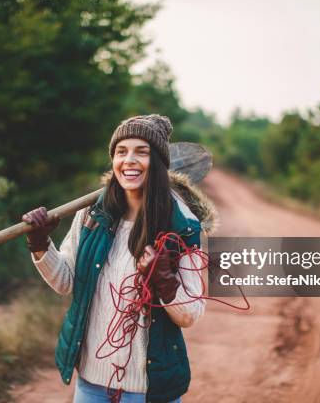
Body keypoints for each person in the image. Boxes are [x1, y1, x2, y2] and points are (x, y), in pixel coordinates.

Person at [22, 114, 217, 403]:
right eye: (121, 151)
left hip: (149, 391)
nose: (129, 160)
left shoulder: (183, 227)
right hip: (91, 384)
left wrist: (163, 280)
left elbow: (190, 315)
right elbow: (65, 281)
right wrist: (39, 243)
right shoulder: (92, 215)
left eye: (142, 152)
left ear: (159, 163)